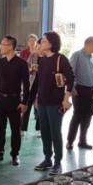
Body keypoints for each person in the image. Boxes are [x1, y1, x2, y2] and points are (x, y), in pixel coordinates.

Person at [33, 32, 75, 174]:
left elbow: (71, 79)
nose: (41, 43)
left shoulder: (60, 59)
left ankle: (57, 162)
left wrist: (66, 98)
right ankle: (47, 158)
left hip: (56, 103)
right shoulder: (42, 60)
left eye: (44, 41)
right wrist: (36, 99)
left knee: (55, 132)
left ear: (51, 43)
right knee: (44, 131)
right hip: (42, 102)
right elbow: (40, 82)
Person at [0, 35, 29, 166]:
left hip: (15, 100)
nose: (0, 46)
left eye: (3, 44)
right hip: (0, 99)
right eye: (1, 44)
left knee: (15, 129)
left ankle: (15, 154)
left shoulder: (22, 64)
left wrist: (24, 102)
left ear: (11, 46)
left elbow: (26, 84)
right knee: (0, 129)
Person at [67, 36, 93, 150]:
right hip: (79, 90)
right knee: (77, 116)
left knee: (87, 117)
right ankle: (70, 141)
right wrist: (72, 88)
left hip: (90, 91)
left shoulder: (91, 58)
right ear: (89, 44)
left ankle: (82, 141)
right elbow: (70, 73)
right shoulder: (77, 55)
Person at [21, 35, 40, 132]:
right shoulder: (29, 54)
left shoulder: (44, 55)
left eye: (34, 41)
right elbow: (24, 66)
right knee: (27, 104)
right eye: (30, 40)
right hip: (30, 81)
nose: (32, 42)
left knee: (40, 106)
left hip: (41, 82)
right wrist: (31, 69)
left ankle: (39, 128)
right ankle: (23, 128)